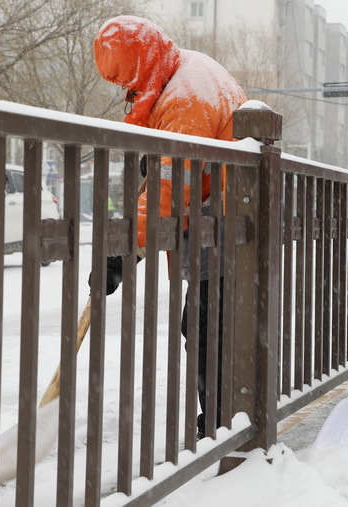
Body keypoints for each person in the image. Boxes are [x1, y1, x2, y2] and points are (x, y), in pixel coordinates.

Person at [91, 16, 248, 438]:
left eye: (131, 85)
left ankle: (221, 424)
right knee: (211, 325)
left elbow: (170, 191)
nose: (130, 95)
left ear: (144, 65)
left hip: (223, 220)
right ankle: (226, 416)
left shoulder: (184, 98)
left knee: (206, 328)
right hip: (228, 215)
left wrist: (120, 252)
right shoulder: (185, 68)